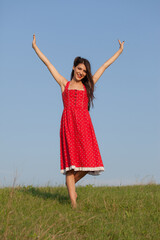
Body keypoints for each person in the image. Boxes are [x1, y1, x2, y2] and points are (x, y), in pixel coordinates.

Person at [32, 34, 124, 208]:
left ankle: (71, 183)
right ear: (74, 67)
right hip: (68, 125)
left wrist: (119, 51)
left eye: (84, 71)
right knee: (70, 165)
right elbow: (48, 64)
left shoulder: (87, 86)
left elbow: (104, 66)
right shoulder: (63, 84)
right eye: (79, 68)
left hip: (85, 125)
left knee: (89, 164)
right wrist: (35, 47)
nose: (81, 72)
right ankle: (73, 203)